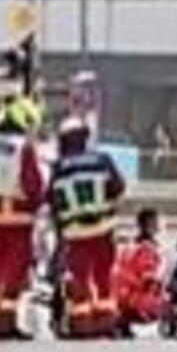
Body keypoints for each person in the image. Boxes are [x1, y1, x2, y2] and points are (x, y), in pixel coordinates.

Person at [0, 98, 47, 338]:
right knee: (14, 271)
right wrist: (38, 202)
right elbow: (32, 183)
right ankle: (5, 322)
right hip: (18, 217)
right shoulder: (22, 147)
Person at [51, 115, 126, 338]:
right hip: (103, 227)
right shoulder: (102, 160)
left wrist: (59, 232)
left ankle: (81, 324)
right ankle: (106, 323)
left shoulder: (59, 167)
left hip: (75, 231)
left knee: (80, 277)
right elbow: (118, 186)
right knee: (104, 276)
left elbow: (52, 199)